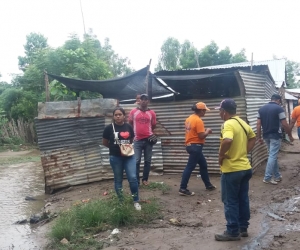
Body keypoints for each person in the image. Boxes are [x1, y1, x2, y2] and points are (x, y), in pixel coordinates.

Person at [214, 99, 256, 241]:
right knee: (242, 198)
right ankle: (243, 228)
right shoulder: (242, 123)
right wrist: (243, 153)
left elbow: (227, 140)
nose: (219, 113)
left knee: (230, 200)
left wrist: (221, 155)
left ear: (224, 112)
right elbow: (253, 138)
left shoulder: (228, 124)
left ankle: (232, 231)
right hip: (245, 168)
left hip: (231, 170)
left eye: (220, 110)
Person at [102, 107, 141, 211]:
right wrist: (115, 149)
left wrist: (125, 148)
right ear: (113, 116)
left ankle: (136, 200)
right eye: (116, 115)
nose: (118, 116)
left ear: (124, 116)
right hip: (115, 157)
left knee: (132, 178)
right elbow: (105, 142)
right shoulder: (109, 128)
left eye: (120, 114)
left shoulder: (128, 126)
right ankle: (121, 201)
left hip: (129, 156)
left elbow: (131, 139)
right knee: (118, 179)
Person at [178, 102, 216, 196]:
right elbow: (201, 136)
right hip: (196, 147)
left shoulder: (189, 119)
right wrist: (207, 131)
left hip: (190, 146)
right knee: (190, 167)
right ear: (201, 111)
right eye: (205, 111)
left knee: (203, 165)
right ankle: (183, 188)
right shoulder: (198, 121)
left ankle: (208, 185)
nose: (205, 112)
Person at [256, 94, 294, 185]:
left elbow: (258, 124)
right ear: (278, 100)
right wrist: (290, 136)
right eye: (280, 101)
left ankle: (277, 176)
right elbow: (285, 124)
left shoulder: (261, 109)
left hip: (266, 136)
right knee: (272, 156)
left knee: (273, 155)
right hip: (275, 135)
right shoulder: (278, 109)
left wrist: (259, 137)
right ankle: (267, 177)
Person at [128, 94, 156, 186]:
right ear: (139, 101)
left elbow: (153, 125)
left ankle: (145, 179)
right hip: (137, 140)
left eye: (146, 99)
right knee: (136, 160)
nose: (143, 101)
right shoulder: (133, 112)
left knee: (147, 161)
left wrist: (149, 133)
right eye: (142, 99)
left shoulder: (152, 113)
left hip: (149, 139)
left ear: (148, 101)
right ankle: (137, 180)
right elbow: (130, 124)